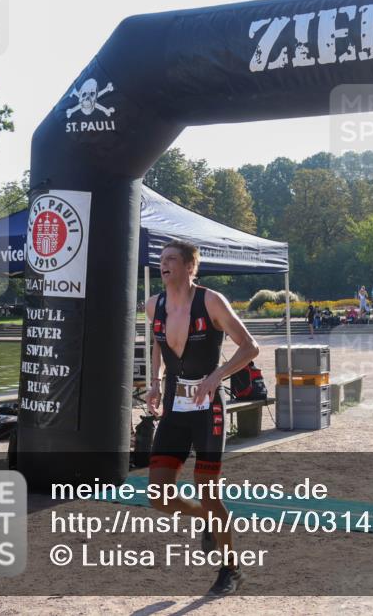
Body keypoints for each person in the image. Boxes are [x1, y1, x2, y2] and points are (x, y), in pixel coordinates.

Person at [145, 240, 259, 596]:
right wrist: (154, 382)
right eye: (162, 260)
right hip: (176, 408)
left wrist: (217, 376)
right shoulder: (153, 305)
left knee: (207, 489)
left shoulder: (210, 301)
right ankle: (208, 519)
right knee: (159, 495)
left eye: (172, 260)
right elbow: (157, 343)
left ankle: (231, 569)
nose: (164, 265)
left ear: (190, 267)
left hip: (208, 405)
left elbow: (249, 346)